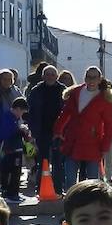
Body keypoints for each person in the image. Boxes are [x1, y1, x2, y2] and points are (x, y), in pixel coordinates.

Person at [54, 66, 112, 186]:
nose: (91, 81)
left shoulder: (104, 98)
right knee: (70, 179)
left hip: (92, 143)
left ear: (99, 79)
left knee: (92, 181)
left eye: (94, 77)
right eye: (89, 77)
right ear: (85, 78)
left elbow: (109, 125)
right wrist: (58, 131)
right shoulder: (76, 92)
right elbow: (66, 113)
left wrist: (105, 146)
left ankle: (89, 201)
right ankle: (72, 201)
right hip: (73, 140)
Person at [27, 65, 66, 194]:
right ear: (43, 76)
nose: (50, 77)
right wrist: (32, 131)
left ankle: (58, 189)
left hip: (59, 132)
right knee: (42, 162)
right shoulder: (36, 90)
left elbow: (68, 111)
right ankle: (41, 189)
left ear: (56, 76)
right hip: (41, 132)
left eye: (52, 74)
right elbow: (30, 112)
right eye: (47, 74)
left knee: (58, 163)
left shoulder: (63, 90)